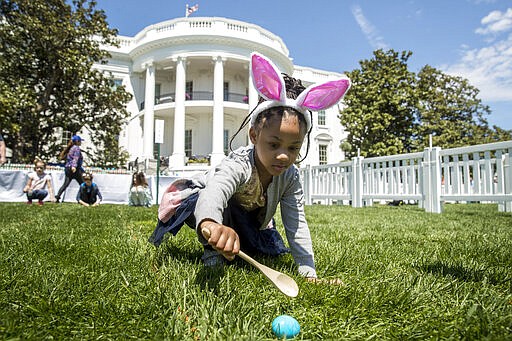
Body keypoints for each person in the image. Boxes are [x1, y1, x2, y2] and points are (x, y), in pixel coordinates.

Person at [149, 52, 350, 281]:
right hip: (203, 205)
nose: (283, 156)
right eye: (274, 144)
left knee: (259, 247)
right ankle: (212, 251)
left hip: (246, 217)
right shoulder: (239, 163)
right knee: (211, 201)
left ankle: (232, 242)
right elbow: (214, 194)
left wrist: (308, 272)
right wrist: (211, 224)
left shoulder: (290, 177)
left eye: (293, 148)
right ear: (254, 135)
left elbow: (297, 223)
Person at [55, 135, 84, 202]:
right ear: (77, 142)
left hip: (67, 168)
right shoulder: (76, 148)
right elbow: (75, 158)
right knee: (82, 184)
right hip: (74, 169)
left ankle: (58, 196)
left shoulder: (71, 148)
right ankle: (84, 198)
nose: (81, 143)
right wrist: (74, 166)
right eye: (80, 141)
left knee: (65, 184)